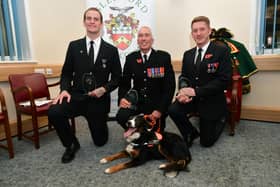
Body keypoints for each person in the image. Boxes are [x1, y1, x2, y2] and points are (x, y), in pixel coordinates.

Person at [48, 7, 122, 163]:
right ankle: (71, 144)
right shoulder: (74, 46)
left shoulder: (111, 50)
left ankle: (102, 126)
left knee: (100, 142)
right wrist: (64, 90)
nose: (92, 22)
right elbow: (66, 73)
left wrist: (104, 89)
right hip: (76, 97)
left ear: (101, 24)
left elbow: (117, 78)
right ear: (84, 22)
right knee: (54, 111)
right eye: (89, 18)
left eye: (96, 19)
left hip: (98, 100)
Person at [168, 16, 232, 147]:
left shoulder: (221, 51)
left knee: (206, 142)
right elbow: (184, 77)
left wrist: (196, 92)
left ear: (209, 31)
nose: (198, 33)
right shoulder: (188, 54)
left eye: (202, 29)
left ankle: (222, 117)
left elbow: (224, 80)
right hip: (193, 99)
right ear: (192, 34)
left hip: (212, 100)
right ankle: (190, 132)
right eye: (195, 30)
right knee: (173, 109)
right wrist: (183, 92)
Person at [116, 26, 175, 131]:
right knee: (121, 116)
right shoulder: (131, 58)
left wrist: (160, 109)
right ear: (137, 40)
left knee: (155, 136)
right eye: (140, 36)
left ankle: (140, 131)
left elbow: (169, 87)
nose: (143, 38)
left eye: (147, 35)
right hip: (137, 103)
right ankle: (137, 132)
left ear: (152, 40)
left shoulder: (163, 57)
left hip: (157, 105)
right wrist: (122, 98)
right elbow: (125, 83)